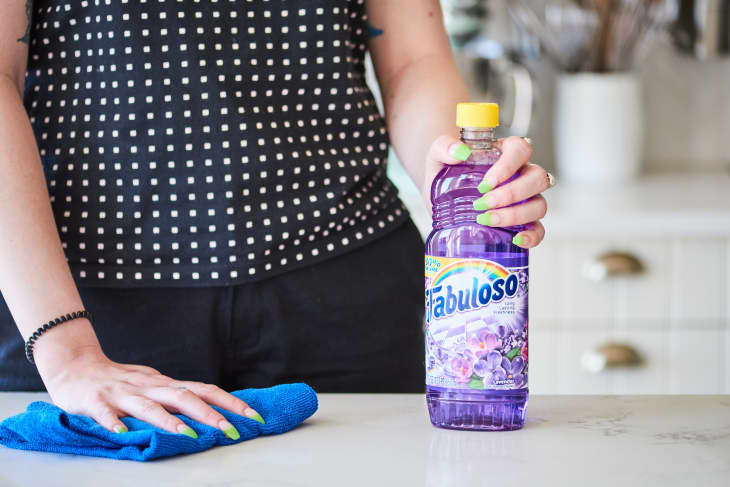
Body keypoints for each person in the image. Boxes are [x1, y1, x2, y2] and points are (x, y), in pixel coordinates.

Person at [0, 1, 550, 440]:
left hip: (348, 284)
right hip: (83, 308)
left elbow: (413, 59)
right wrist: (68, 354)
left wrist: (458, 180)